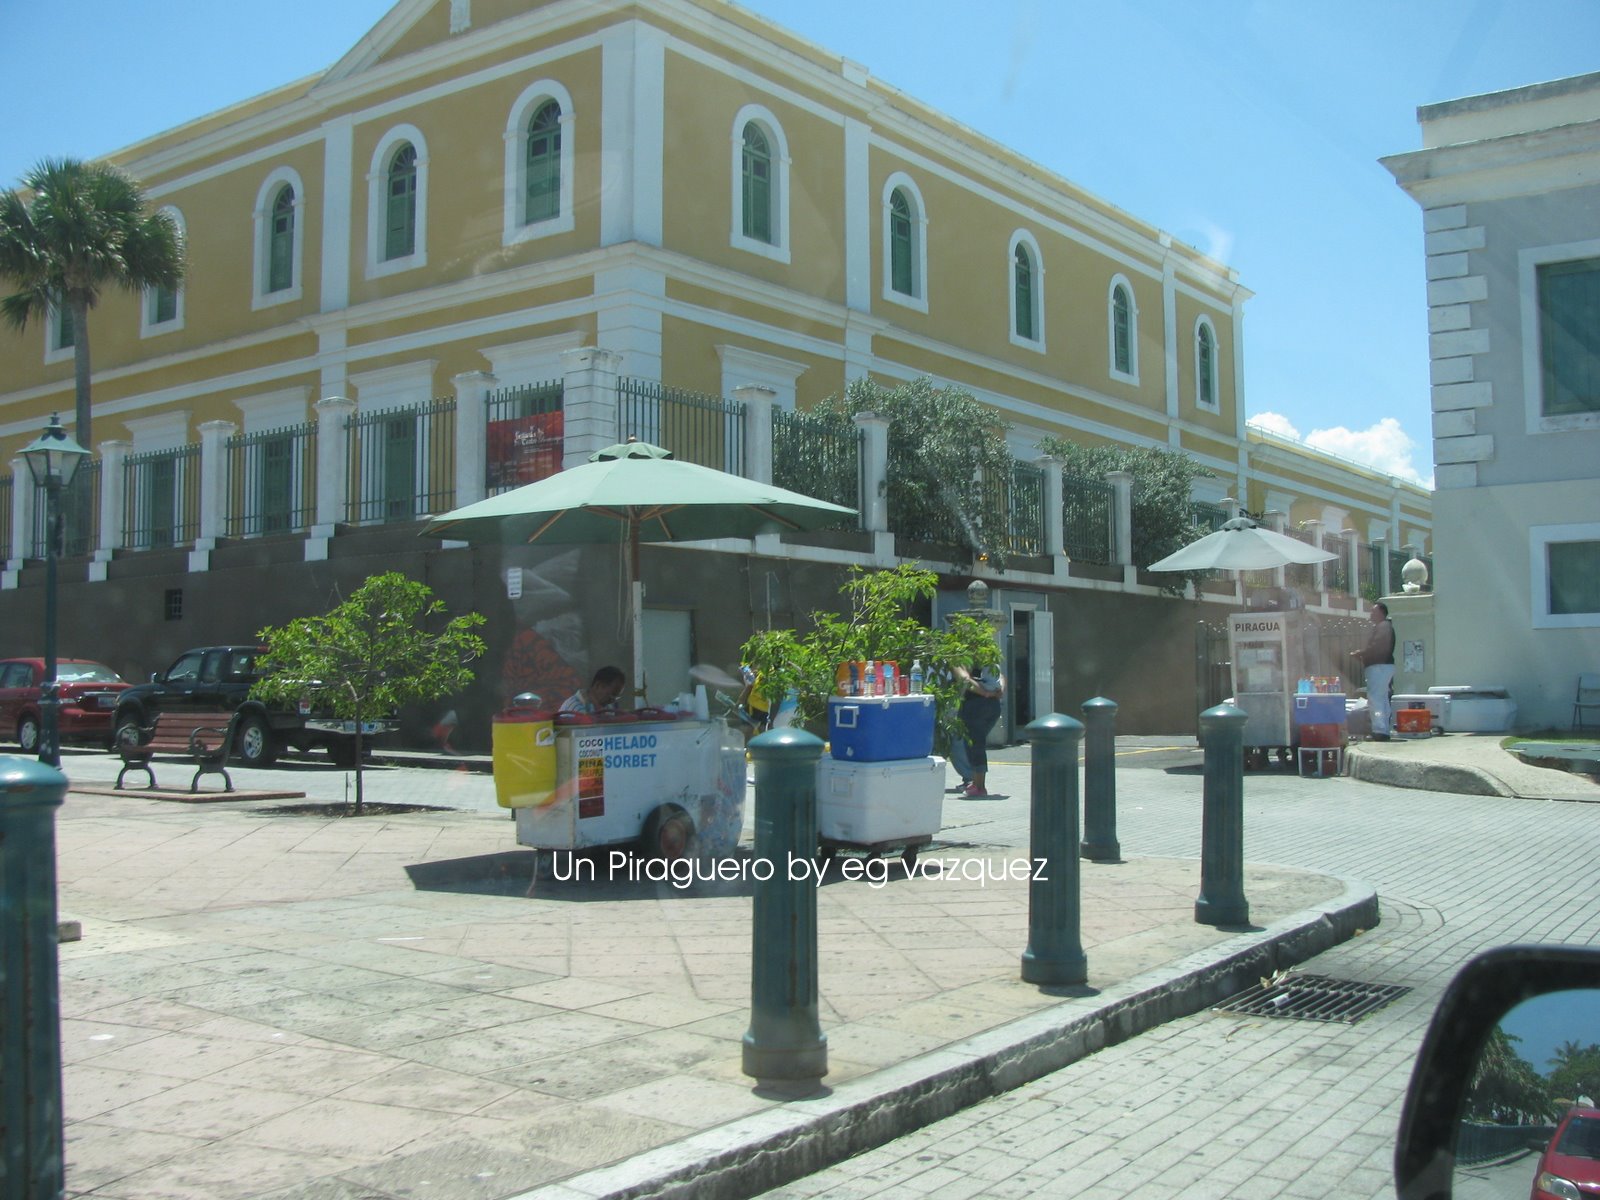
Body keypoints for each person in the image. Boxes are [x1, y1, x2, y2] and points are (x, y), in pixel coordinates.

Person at [953, 660, 1006, 797]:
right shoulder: (988, 656)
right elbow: (1001, 676)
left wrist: (984, 693)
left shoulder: (959, 656)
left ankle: (979, 786)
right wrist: (997, 692)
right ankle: (976, 782)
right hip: (993, 706)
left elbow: (964, 679)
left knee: (975, 745)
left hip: (973, 705)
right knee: (978, 743)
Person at [1351, 602, 1396, 741]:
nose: (1371, 614)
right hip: (1383, 666)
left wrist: (1361, 653)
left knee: (1376, 699)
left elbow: (1377, 647)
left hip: (1379, 667)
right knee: (1381, 698)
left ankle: (1379, 730)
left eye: (1373, 611)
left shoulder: (1383, 627)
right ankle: (1383, 729)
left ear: (1381, 613)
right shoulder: (1385, 627)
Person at [560, 665, 626, 714]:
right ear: (598, 685)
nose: (613, 701)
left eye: (616, 697)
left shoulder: (609, 707)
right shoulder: (575, 707)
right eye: (612, 695)